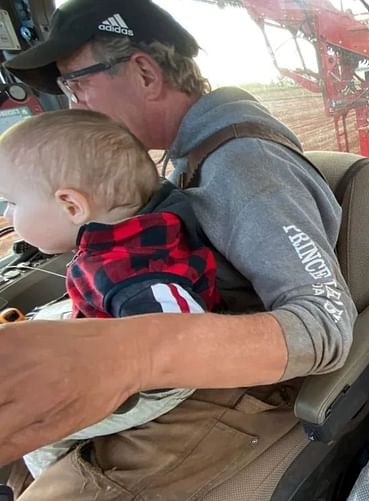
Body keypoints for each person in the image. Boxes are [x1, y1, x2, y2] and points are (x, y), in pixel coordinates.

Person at [1, 0, 356, 498]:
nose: (74, 105)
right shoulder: (186, 159)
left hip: (237, 391)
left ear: (145, 74)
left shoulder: (244, 164)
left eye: (75, 83)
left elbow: (324, 327)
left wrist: (132, 354)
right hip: (194, 373)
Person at [0, 109, 220, 479]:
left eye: (13, 202)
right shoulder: (121, 238)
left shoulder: (130, 272)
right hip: (122, 338)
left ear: (72, 205)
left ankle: (64, 481)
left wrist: (113, 379)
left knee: (37, 428)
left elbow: (185, 337)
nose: (8, 214)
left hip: (164, 383)